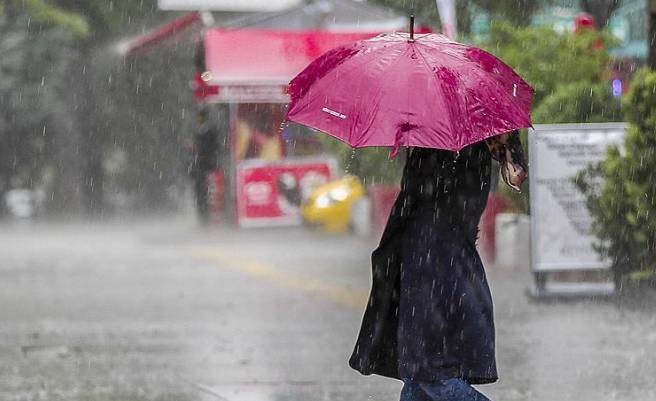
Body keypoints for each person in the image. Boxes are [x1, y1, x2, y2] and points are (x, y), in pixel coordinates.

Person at [349, 131, 527, 401]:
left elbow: (426, 195)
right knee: (417, 375)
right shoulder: (475, 134)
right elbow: (511, 175)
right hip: (440, 256)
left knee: (428, 372)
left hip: (431, 256)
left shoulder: (438, 136)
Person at [189, 108, 221, 224]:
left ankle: (206, 219)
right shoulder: (202, 131)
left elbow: (208, 149)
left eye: (200, 117)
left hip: (207, 168)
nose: (199, 120)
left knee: (207, 194)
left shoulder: (209, 132)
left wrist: (197, 148)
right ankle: (204, 218)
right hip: (203, 168)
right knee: (203, 194)